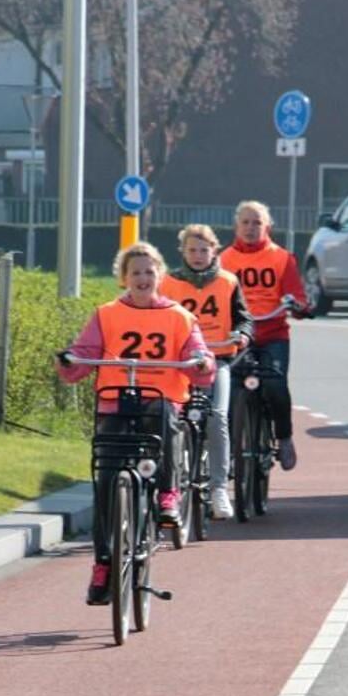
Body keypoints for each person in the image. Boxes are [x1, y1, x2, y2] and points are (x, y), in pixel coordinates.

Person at [58, 242, 215, 605]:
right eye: (135, 273)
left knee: (162, 419)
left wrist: (200, 362)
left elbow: (196, 350)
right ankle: (102, 564)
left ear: (160, 274)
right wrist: (70, 360)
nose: (143, 279)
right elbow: (85, 353)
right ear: (123, 278)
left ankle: (167, 495)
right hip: (115, 402)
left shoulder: (179, 316)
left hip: (159, 400)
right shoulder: (106, 314)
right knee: (107, 484)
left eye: (149, 271)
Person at [160, 224, 252, 520]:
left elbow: (244, 318)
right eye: (192, 250)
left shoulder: (228, 282)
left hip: (218, 359)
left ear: (214, 250)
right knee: (169, 418)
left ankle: (218, 489)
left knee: (217, 415)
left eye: (203, 250)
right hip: (180, 364)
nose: (198, 256)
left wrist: (241, 334)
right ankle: (168, 489)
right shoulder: (168, 283)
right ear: (182, 252)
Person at [219, 200, 308, 471]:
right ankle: (229, 451)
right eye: (245, 222)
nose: (250, 228)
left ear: (267, 226)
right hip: (238, 337)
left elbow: (298, 296)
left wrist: (299, 306)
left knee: (275, 386)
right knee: (229, 392)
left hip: (272, 334)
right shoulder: (224, 260)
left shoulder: (281, 258)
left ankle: (284, 438)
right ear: (236, 226)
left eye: (256, 222)